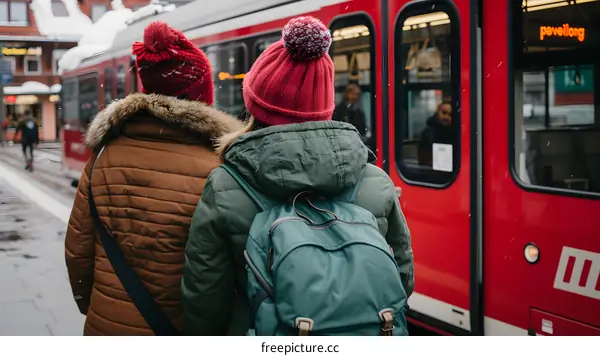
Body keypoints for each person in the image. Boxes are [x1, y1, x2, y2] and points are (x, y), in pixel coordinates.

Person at [181, 16, 414, 336]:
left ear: (255, 105)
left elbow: (206, 297)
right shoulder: (374, 180)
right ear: (326, 107)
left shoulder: (225, 185)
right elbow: (401, 278)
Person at [64, 21, 243, 336]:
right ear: (201, 96)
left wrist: (96, 306)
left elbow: (78, 251)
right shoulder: (219, 167)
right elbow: (219, 275)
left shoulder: (103, 156)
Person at [417, 100, 453, 166]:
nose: (446, 117)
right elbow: (423, 161)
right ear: (437, 113)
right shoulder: (427, 133)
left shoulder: (456, 134)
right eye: (444, 113)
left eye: (450, 115)